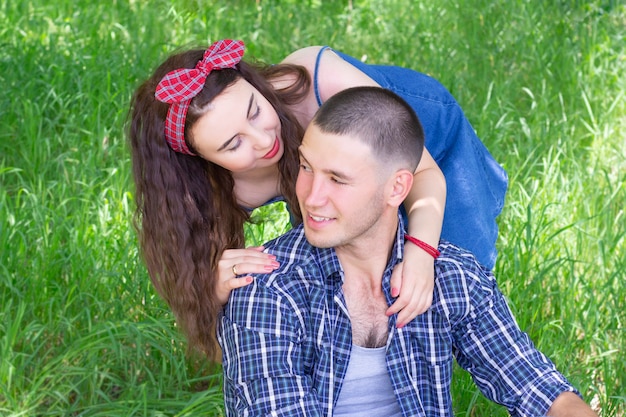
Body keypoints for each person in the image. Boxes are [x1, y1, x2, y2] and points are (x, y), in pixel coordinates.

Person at [218, 87, 596, 416]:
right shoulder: (266, 289)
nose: (311, 197)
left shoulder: (451, 276)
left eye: (337, 179)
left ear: (397, 189)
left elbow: (539, 388)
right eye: (306, 166)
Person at [127, 39, 507, 358]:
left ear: (256, 86)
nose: (263, 141)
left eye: (255, 111)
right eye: (233, 144)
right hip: (331, 176)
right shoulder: (214, 190)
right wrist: (216, 284)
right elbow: (202, 285)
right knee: (351, 278)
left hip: (426, 140)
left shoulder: (312, 81)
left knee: (454, 272)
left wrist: (421, 254)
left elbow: (424, 174)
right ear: (203, 159)